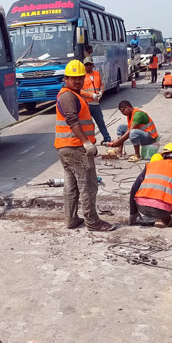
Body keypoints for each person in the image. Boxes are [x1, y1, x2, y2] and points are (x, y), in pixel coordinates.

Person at [55, 59, 115, 232]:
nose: (78, 81)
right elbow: (72, 121)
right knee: (87, 185)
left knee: (72, 185)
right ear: (66, 79)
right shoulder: (67, 96)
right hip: (75, 147)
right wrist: (86, 142)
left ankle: (71, 218)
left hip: (67, 146)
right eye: (74, 78)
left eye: (80, 78)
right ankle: (92, 221)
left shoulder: (73, 94)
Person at [80, 57, 111, 145]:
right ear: (84, 66)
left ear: (93, 65)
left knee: (101, 122)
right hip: (86, 104)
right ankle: (89, 140)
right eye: (86, 65)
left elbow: (101, 85)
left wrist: (101, 92)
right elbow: (80, 90)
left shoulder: (97, 74)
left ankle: (107, 138)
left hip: (96, 104)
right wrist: (91, 95)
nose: (88, 66)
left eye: (90, 64)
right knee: (88, 125)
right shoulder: (82, 77)